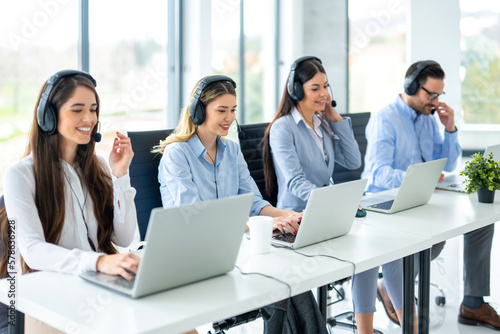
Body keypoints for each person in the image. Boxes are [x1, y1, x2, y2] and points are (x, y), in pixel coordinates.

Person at [155, 75, 328, 334]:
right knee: (280, 284)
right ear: (198, 111)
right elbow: (192, 218)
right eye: (221, 110)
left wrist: (291, 214)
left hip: (233, 250)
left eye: (233, 110)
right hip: (192, 256)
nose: (229, 118)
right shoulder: (177, 154)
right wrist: (262, 223)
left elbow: (255, 203)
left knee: (291, 280)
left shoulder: (231, 150)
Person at [261, 56, 403, 334]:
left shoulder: (323, 124)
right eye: (315, 88)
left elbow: (353, 162)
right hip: (297, 219)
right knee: (365, 250)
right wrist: (332, 205)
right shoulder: (283, 128)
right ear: (296, 90)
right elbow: (294, 182)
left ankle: (396, 325)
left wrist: (336, 119)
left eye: (326, 86)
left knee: (377, 249)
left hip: (327, 215)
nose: (324, 94)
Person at [362, 60, 500, 330]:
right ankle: (390, 285)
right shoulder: (385, 119)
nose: (436, 102)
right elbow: (376, 173)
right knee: (432, 242)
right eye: (431, 94)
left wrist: (450, 129)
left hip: (422, 197)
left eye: (440, 95)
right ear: (411, 87)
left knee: (481, 222)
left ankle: (472, 303)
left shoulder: (428, 119)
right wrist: (416, 179)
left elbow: (446, 164)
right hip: (388, 203)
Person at [1, 70, 141, 333]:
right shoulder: (20, 174)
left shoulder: (97, 167)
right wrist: (97, 261)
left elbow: (123, 238)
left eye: (93, 109)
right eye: (77, 110)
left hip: (97, 285)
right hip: (48, 298)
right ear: (49, 116)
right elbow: (32, 249)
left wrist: (120, 175)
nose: (89, 118)